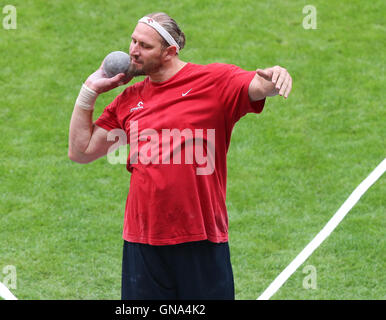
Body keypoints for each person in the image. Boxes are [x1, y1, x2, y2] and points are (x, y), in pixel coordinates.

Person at [68, 12, 292, 300]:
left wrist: (275, 77)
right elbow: (81, 151)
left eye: (145, 46)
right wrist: (90, 90)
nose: (133, 51)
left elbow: (258, 86)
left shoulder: (214, 82)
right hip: (143, 240)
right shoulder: (128, 101)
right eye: (133, 41)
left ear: (170, 52)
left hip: (200, 237)